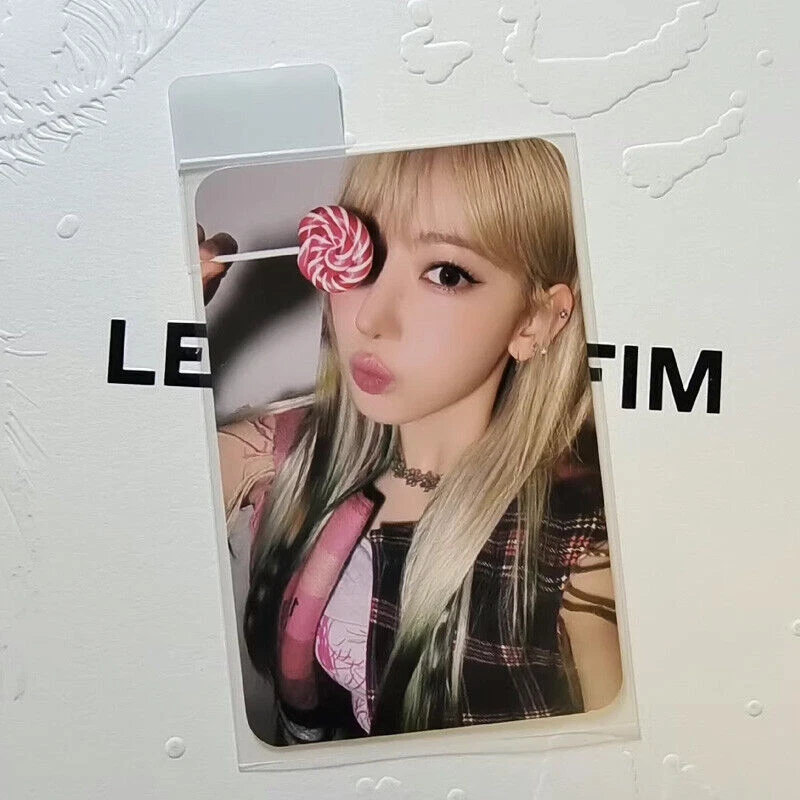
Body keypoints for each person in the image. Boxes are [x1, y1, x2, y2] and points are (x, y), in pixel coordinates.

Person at [215, 138, 621, 746]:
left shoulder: (581, 545)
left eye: (446, 274)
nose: (370, 318)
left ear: (535, 320)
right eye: (366, 256)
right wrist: (195, 319)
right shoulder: (283, 458)